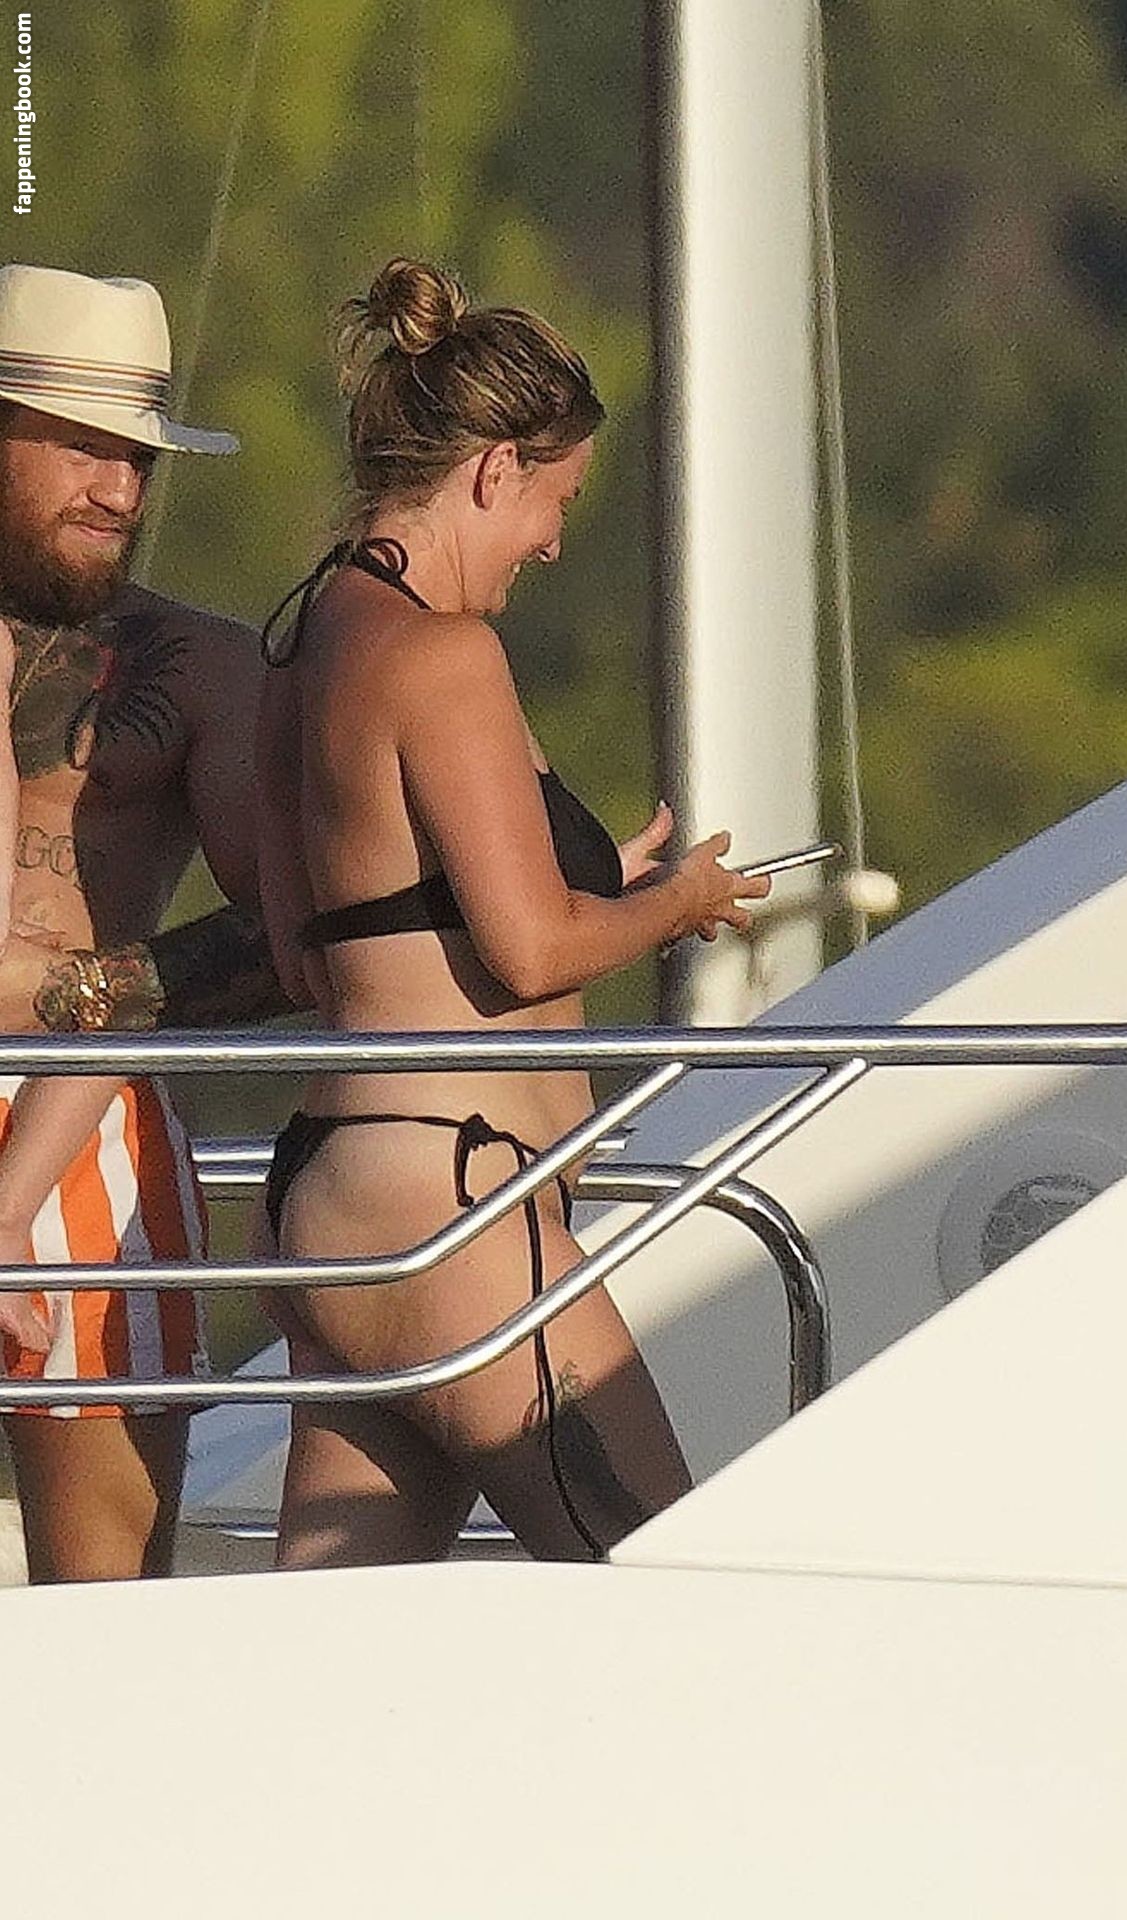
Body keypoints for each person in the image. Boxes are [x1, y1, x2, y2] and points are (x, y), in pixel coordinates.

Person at [257, 256, 770, 1566]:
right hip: (453, 1207)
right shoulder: (445, 654)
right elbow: (529, 947)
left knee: (335, 1657)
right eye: (556, 502)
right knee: (661, 1581)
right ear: (494, 471)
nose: (550, 543)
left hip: (344, 1189)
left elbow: (311, 954)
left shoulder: (306, 644)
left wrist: (604, 886)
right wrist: (676, 904)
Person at [0, 263, 285, 1583]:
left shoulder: (203, 664)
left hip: (90, 1117)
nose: (120, 488)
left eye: (139, 455)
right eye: (83, 446)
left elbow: (288, 930)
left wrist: (69, 999)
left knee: (104, 1595)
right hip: (87, 1067)